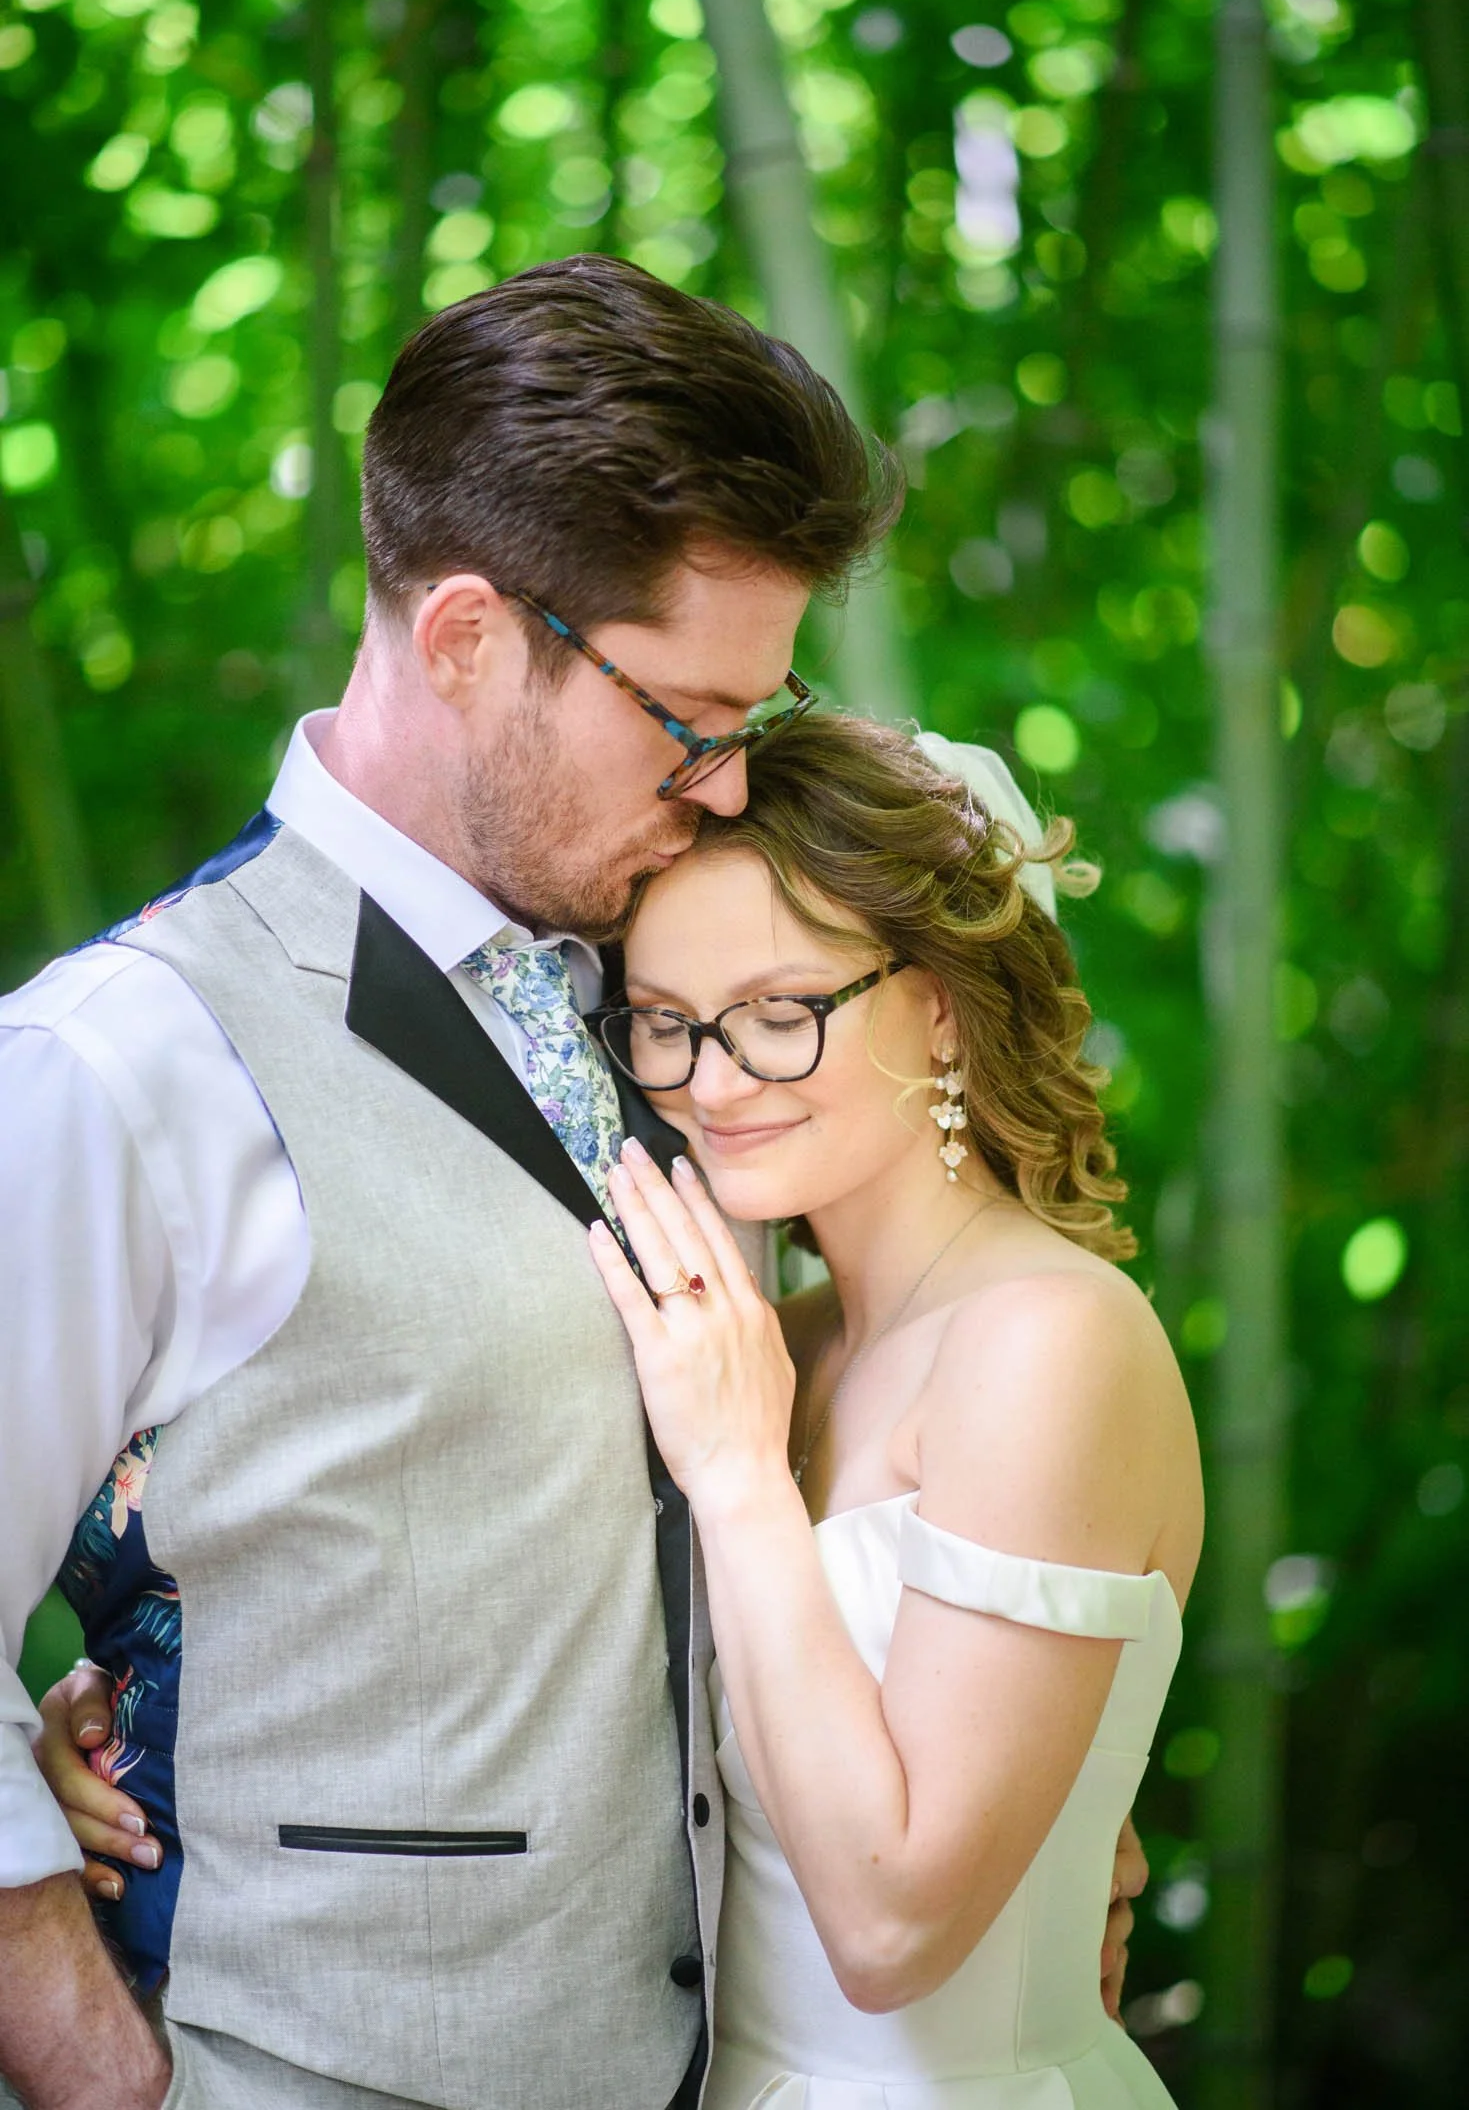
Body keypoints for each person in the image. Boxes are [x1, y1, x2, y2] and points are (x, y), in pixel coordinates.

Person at [7, 258, 1145, 2110]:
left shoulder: (705, 983)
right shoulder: (121, 1065)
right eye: (687, 718)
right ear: (467, 639)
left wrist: (1056, 1787)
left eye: (754, 725)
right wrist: (101, 2072)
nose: (725, 788)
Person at [577, 712, 1203, 2108]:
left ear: (943, 1006)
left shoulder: (1051, 1341)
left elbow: (894, 1932)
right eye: (666, 1023)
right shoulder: (780, 1342)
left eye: (780, 1012)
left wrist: (742, 1481)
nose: (711, 1082)